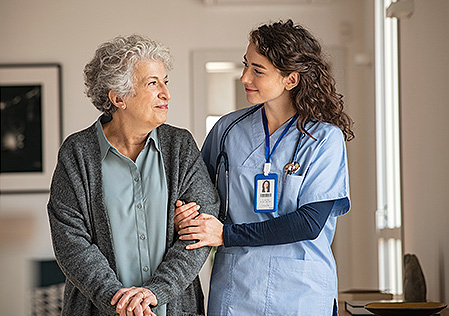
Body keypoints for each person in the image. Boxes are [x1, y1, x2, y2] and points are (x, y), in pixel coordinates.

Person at [174, 19, 354, 315]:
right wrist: (186, 214)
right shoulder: (227, 130)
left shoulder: (324, 139)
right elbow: (197, 195)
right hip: (236, 289)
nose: (245, 77)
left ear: (290, 80)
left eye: (258, 70)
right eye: (246, 65)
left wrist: (226, 235)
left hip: (301, 293)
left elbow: (309, 222)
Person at [47, 34, 219, 316]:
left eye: (165, 81)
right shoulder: (77, 153)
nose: (166, 93)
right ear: (118, 97)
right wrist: (120, 302)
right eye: (153, 83)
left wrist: (154, 293)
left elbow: (201, 230)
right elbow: (71, 242)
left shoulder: (180, 146)